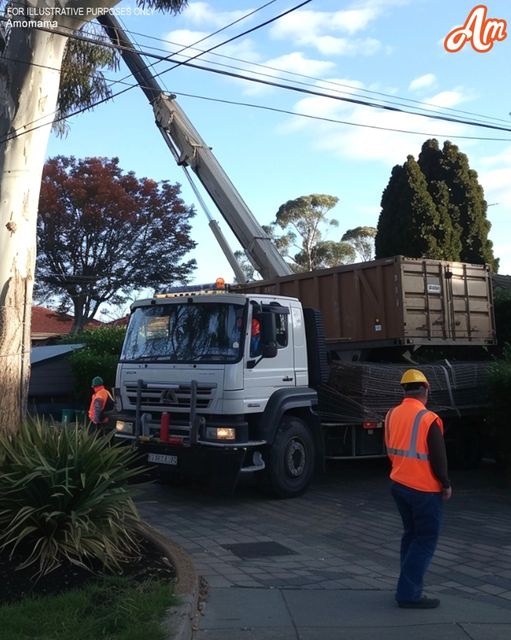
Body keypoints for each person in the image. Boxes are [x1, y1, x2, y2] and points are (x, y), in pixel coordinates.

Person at [385, 368, 452, 609]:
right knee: (425, 540)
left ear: (404, 390)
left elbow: (390, 450)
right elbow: (438, 458)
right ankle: (408, 594)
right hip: (424, 489)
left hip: (399, 484)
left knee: (411, 536)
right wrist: (445, 483)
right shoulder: (428, 418)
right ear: (425, 389)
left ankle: (407, 585)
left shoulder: (392, 414)